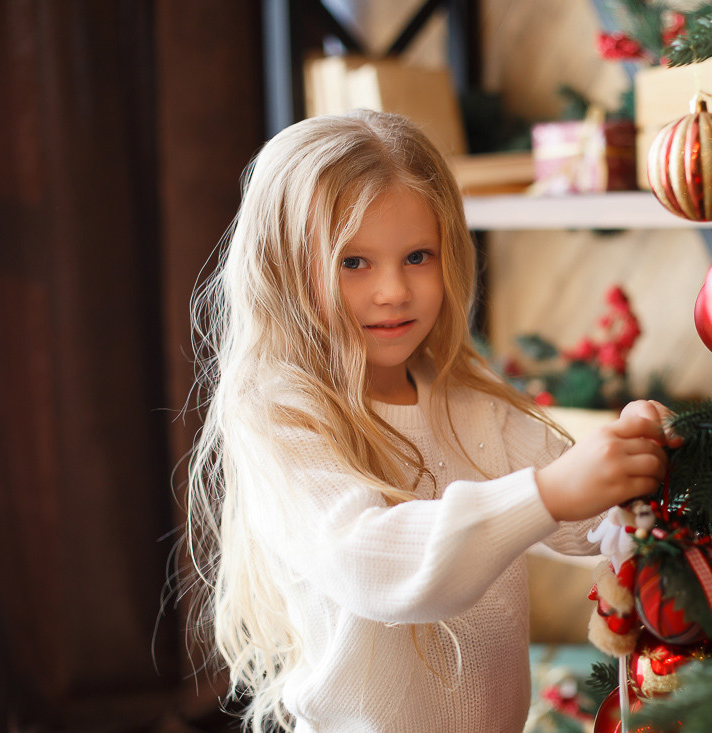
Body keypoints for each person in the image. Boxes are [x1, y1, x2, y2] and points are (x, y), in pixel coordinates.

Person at [186, 110, 677, 733]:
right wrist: (551, 491)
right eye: (353, 263)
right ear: (283, 267)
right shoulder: (283, 416)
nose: (394, 290)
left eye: (417, 256)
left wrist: (629, 454)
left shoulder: (468, 399)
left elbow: (583, 523)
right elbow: (375, 565)